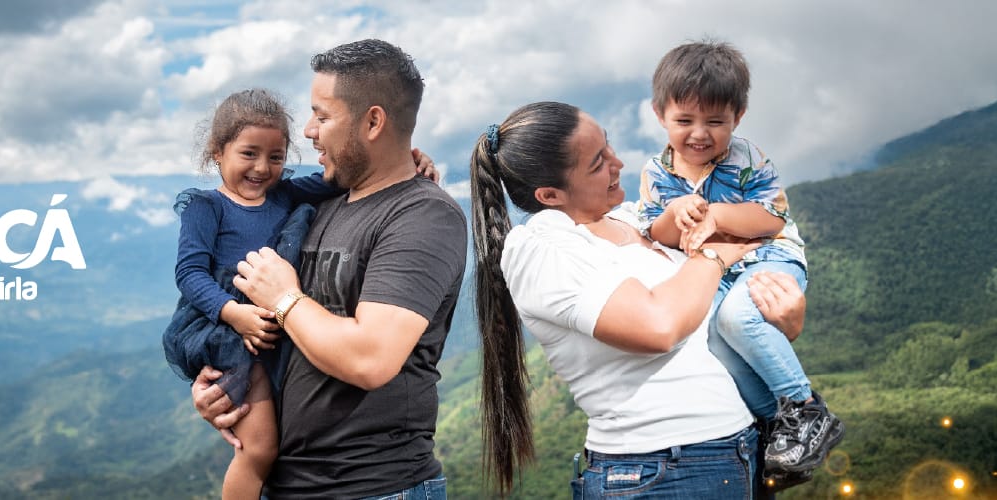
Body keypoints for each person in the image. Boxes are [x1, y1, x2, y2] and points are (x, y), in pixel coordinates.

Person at [470, 101, 809, 497]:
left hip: (739, 451)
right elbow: (659, 326)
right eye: (598, 163)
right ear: (549, 194)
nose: (619, 163)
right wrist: (713, 257)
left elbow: (717, 302)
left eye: (608, 146)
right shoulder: (543, 247)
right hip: (660, 471)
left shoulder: (635, 218)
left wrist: (782, 320)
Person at [191, 39, 467, 499]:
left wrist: (284, 297)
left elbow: (370, 359)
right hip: (287, 484)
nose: (308, 131)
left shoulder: (422, 215)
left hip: (374, 488)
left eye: (322, 116)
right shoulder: (318, 204)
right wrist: (224, 386)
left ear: (373, 122)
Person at [636, 41, 842, 478]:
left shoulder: (747, 158)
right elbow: (656, 232)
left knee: (737, 318)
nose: (699, 134)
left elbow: (771, 218)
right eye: (684, 121)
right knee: (708, 337)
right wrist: (676, 213)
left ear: (738, 117)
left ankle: (806, 409)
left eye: (715, 122)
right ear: (659, 114)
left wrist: (716, 215)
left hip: (768, 255)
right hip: (715, 269)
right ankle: (773, 422)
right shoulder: (656, 173)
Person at [161, 88, 340, 499]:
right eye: (249, 153)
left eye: (276, 156)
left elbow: (340, 178)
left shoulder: (284, 195)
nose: (262, 167)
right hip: (230, 337)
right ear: (217, 152)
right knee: (259, 450)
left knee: (285, 438)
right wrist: (233, 313)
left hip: (276, 331)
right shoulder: (206, 208)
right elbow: (189, 273)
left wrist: (410, 161)